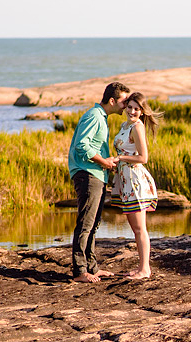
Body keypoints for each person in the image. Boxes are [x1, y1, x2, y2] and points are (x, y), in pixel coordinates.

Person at [67, 81, 130, 283]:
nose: (126, 106)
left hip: (97, 174)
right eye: (124, 101)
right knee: (86, 223)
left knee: (94, 224)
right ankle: (79, 271)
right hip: (88, 174)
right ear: (112, 100)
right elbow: (81, 146)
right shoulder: (94, 116)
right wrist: (104, 161)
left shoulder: (101, 117)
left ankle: (92, 268)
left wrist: (106, 161)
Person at [108, 92, 164, 280]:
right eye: (129, 107)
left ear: (142, 111)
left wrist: (120, 158)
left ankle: (145, 270)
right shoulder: (125, 125)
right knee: (135, 228)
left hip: (135, 180)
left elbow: (143, 158)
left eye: (136, 109)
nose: (132, 111)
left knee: (140, 228)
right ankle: (142, 267)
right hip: (125, 180)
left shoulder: (137, 127)